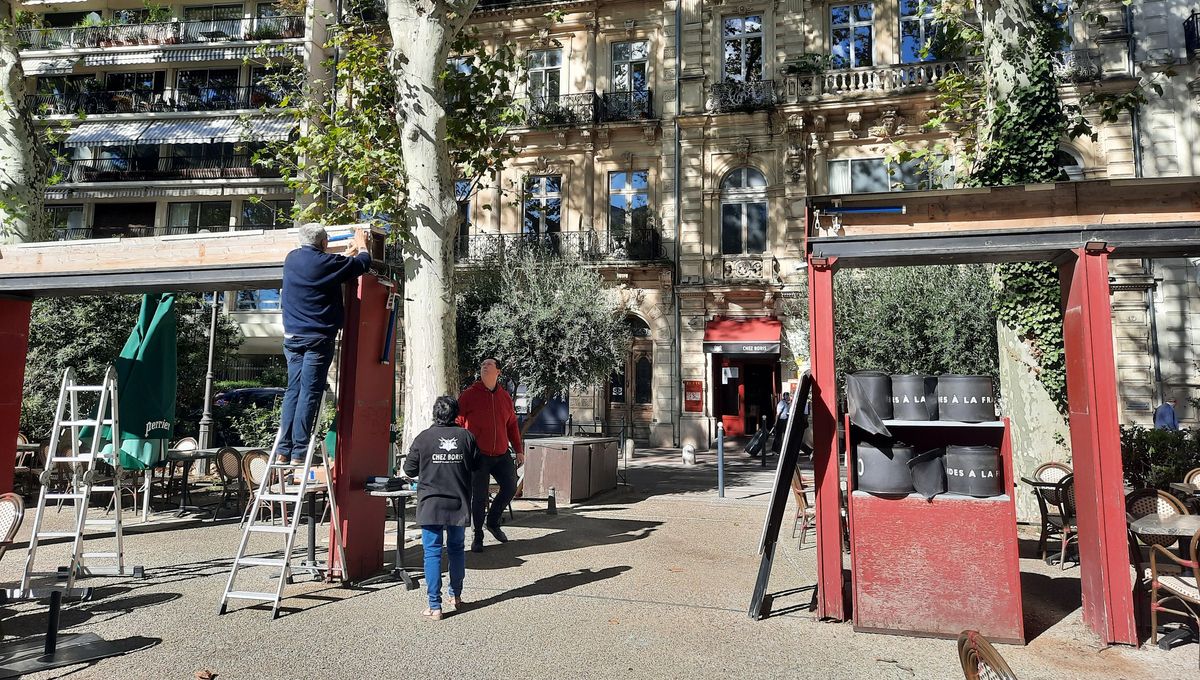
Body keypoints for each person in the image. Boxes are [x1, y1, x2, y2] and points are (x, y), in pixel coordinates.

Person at [276, 223, 371, 466]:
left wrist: (344, 255)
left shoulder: (292, 259)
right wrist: (361, 246)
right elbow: (362, 264)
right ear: (324, 243)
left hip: (292, 338)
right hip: (317, 339)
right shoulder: (326, 264)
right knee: (309, 392)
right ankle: (299, 451)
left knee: (293, 391)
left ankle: (283, 450)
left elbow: (326, 264)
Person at [403, 396, 480, 621]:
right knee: (456, 550)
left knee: (432, 552)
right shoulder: (467, 437)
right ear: (456, 415)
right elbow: (477, 465)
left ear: (434, 413)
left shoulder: (424, 438)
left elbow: (409, 469)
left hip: (430, 503)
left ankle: (434, 606)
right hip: (458, 502)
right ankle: (455, 596)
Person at [457, 357, 523, 553]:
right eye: (483, 365)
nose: (485, 366)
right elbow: (458, 422)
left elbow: (511, 425)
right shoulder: (468, 395)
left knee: (511, 486)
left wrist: (518, 449)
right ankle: (477, 535)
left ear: (498, 372)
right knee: (478, 496)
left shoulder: (504, 397)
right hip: (478, 455)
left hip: (502, 453)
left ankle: (493, 522)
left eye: (489, 365)